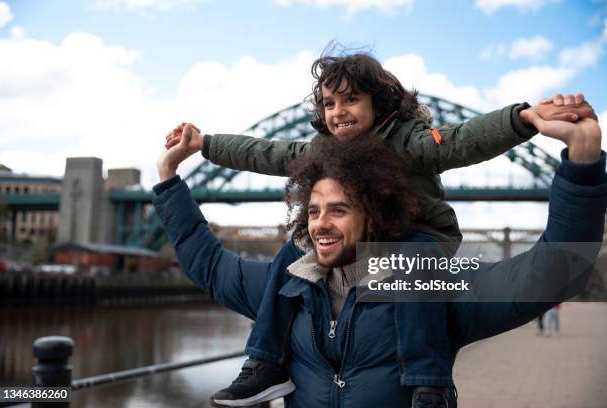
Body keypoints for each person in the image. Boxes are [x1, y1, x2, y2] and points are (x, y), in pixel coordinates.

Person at [163, 50, 597, 407]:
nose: (338, 112)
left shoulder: (411, 143)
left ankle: (425, 384)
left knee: (412, 268)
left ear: (379, 104)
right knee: (290, 254)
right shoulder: (295, 286)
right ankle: (264, 364)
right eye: (314, 210)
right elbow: (264, 154)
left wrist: (526, 121)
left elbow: (467, 139)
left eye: (350, 100)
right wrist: (197, 150)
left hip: (419, 239)